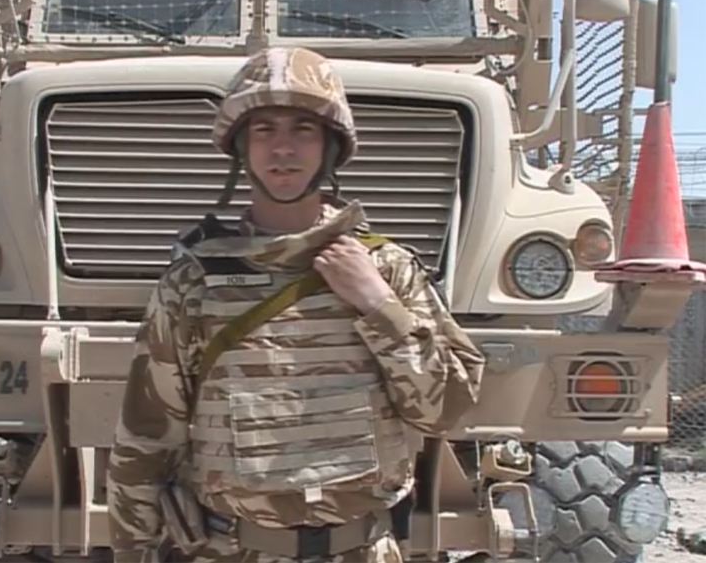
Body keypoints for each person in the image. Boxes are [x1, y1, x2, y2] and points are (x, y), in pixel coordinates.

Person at [106, 46, 486, 563]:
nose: (283, 148)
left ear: (330, 146)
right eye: (264, 130)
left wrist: (377, 304)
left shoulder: (386, 269)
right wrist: (132, 551)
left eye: (303, 129)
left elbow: (446, 411)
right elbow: (146, 440)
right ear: (241, 146)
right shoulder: (194, 283)